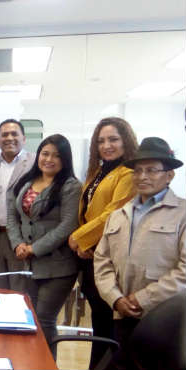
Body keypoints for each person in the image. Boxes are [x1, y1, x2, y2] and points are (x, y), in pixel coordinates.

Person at [94, 137, 186, 370]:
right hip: (121, 316)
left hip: (165, 320)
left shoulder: (182, 214)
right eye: (138, 171)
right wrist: (115, 298)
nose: (143, 176)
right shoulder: (118, 215)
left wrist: (143, 299)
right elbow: (102, 261)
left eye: (152, 170)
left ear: (169, 175)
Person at [68, 117, 138, 369]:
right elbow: (88, 210)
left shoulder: (129, 173)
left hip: (109, 258)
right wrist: (83, 243)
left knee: (109, 328)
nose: (106, 145)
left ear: (126, 141)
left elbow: (113, 212)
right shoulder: (99, 172)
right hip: (89, 256)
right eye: (101, 141)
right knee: (100, 323)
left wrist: (80, 238)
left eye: (113, 139)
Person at [7, 134, 81, 358]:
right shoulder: (26, 181)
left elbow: (68, 225)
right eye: (45, 153)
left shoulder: (70, 186)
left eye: (56, 155)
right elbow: (12, 215)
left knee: (44, 319)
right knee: (29, 318)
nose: (49, 159)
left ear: (65, 159)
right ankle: (30, 361)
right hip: (28, 264)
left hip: (57, 266)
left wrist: (34, 248)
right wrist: (18, 243)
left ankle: (45, 363)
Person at [0, 118, 35, 291]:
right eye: (4, 134)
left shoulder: (35, 164)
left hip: (21, 238)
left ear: (24, 138)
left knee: (19, 291)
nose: (9, 138)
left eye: (14, 134)